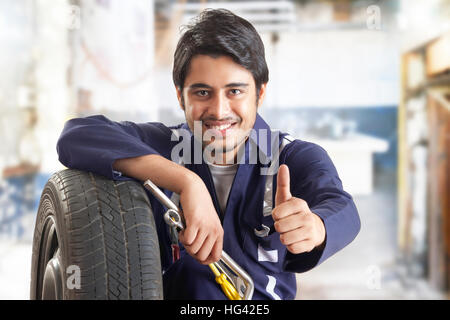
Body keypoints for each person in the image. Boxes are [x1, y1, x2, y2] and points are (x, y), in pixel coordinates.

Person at [57, 9, 360, 300]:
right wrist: (187, 183)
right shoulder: (164, 146)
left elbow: (342, 208)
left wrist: (316, 227)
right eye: (202, 92)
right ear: (180, 96)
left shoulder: (292, 158)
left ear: (260, 93)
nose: (218, 111)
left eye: (235, 91)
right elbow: (77, 135)